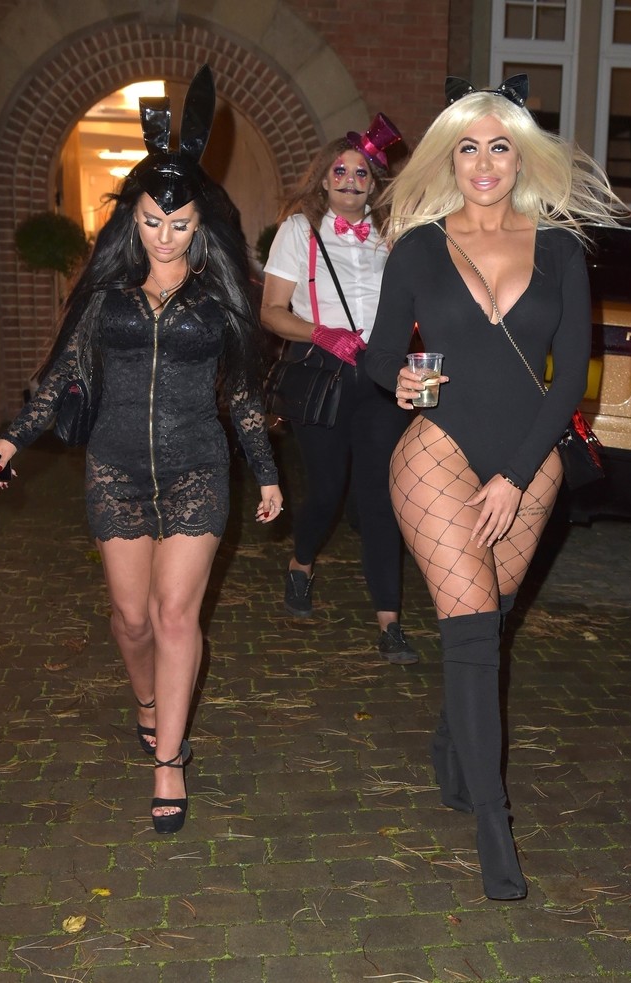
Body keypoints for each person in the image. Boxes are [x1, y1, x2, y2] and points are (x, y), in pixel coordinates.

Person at [0, 66, 283, 835]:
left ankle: (170, 760)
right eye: (152, 221)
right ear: (134, 219)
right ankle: (147, 699)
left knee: (175, 614)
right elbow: (59, 379)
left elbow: (243, 396)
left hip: (197, 470)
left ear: (201, 226)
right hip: (115, 470)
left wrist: (267, 473)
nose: (165, 236)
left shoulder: (220, 303)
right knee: (132, 620)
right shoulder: (104, 298)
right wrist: (10, 439)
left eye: (179, 225)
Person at [366, 75, 624, 898]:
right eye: (468, 147)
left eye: (500, 147)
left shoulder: (560, 250)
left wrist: (516, 474)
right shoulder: (418, 247)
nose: (483, 163)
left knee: (490, 618)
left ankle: (453, 746)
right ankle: (492, 825)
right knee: (472, 629)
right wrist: (399, 379)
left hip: (529, 455)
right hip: (436, 451)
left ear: (522, 157)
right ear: (449, 158)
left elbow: (570, 378)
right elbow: (380, 352)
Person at [261, 114, 418, 664]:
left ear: (374, 184)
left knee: (379, 497)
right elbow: (271, 311)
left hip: (380, 376)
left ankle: (389, 622)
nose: (351, 181)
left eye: (362, 173)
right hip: (322, 372)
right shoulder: (299, 230)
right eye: (341, 171)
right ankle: (300, 563)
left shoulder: (394, 236)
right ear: (324, 179)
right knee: (327, 489)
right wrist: (320, 332)